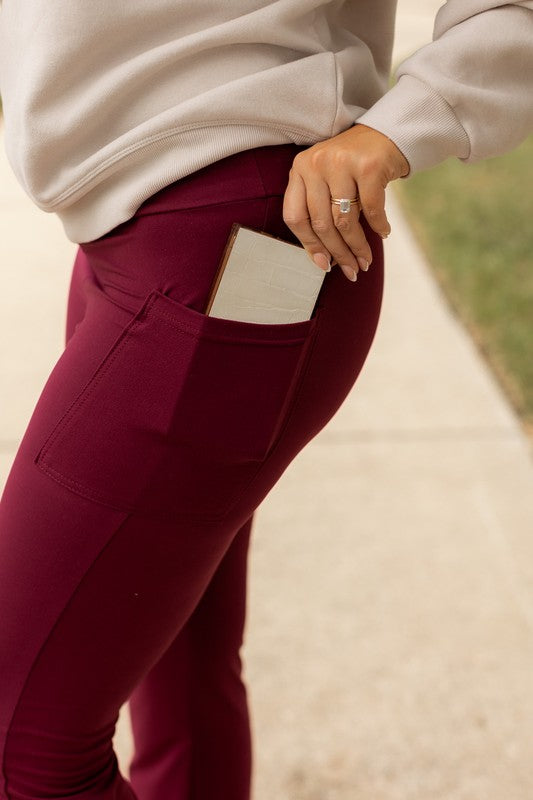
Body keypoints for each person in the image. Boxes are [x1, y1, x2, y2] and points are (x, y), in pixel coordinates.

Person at [0, 1, 531, 798]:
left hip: (233, 243)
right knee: (176, 673)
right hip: (133, 227)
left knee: (23, 744)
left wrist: (400, 127)